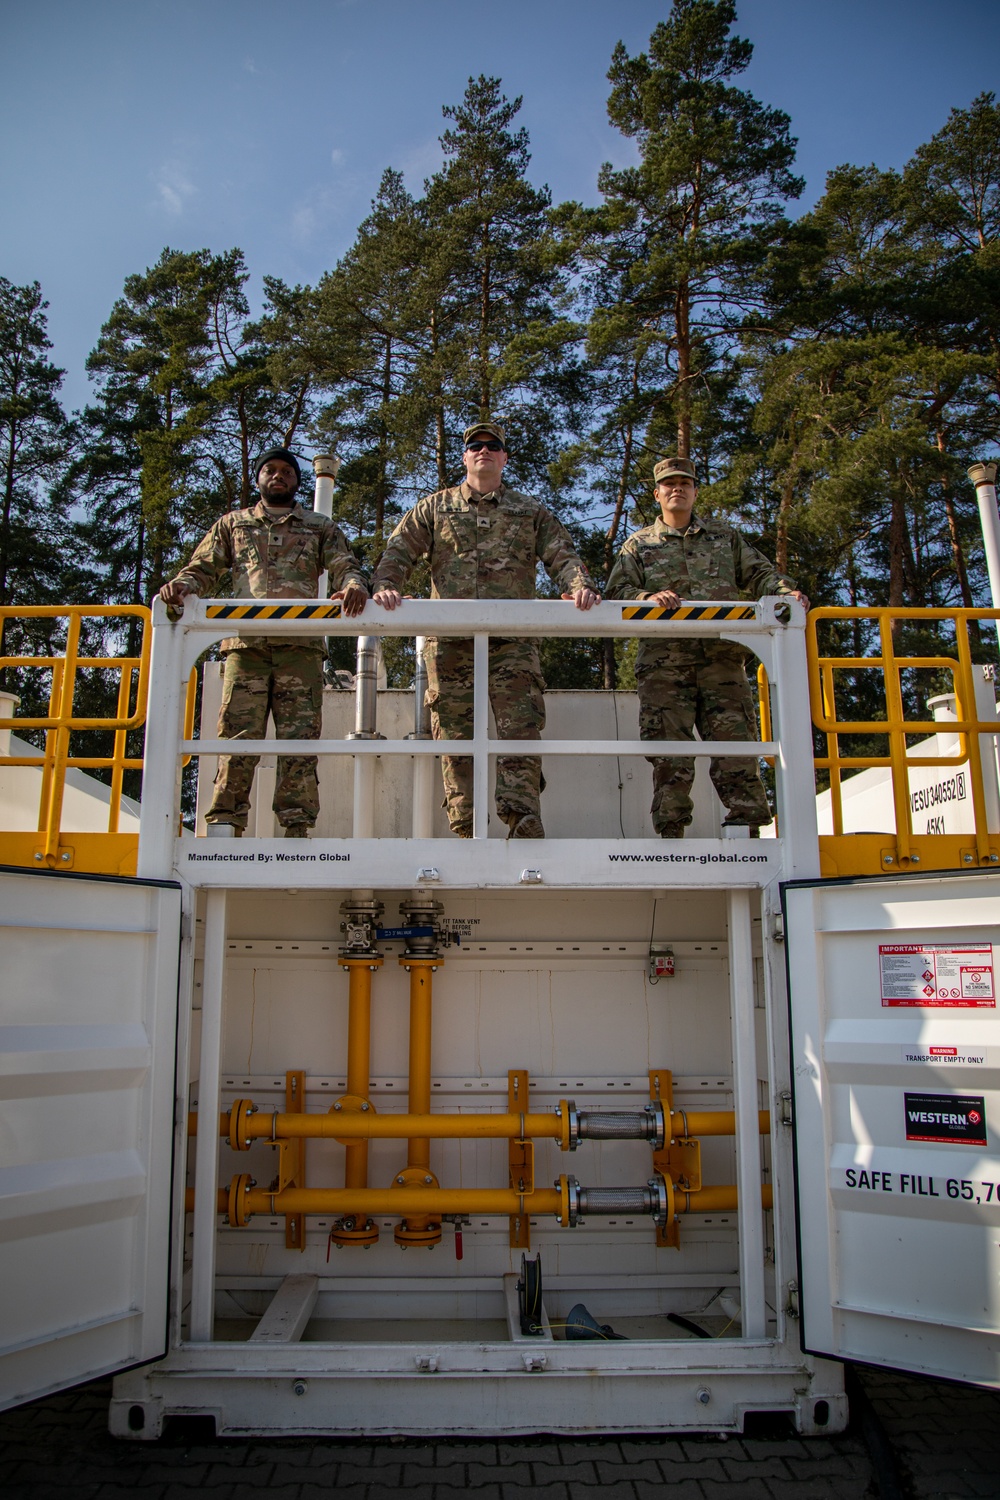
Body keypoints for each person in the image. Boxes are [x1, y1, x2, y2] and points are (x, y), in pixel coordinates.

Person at [371, 422, 599, 838]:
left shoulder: (529, 511)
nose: (484, 451)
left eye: (493, 446)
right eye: (475, 446)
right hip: (451, 643)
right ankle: (465, 821)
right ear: (464, 457)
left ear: (504, 458)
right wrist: (387, 585)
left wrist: (578, 585)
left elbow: (562, 555)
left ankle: (522, 816)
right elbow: (399, 550)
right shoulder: (435, 507)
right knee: (455, 731)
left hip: (511, 641)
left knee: (520, 725)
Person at [158, 447, 368, 837]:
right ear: (258, 479)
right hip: (247, 648)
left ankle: (297, 825)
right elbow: (204, 567)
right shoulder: (233, 525)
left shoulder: (318, 526)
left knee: (299, 742)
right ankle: (226, 818)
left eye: (286, 471)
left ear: (296, 481)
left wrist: (352, 585)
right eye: (269, 470)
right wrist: (184, 585)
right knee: (237, 737)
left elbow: (344, 564)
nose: (278, 476)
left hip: (300, 650)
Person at [606, 456, 809, 838]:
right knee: (669, 751)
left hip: (723, 660)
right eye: (669, 484)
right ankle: (671, 830)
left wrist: (785, 593)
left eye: (685, 483)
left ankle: (747, 825)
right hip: (665, 664)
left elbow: (760, 573)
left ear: (695, 492)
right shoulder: (639, 544)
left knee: (736, 745)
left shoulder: (723, 538)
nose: (677, 489)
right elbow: (617, 591)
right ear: (657, 494)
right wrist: (647, 597)